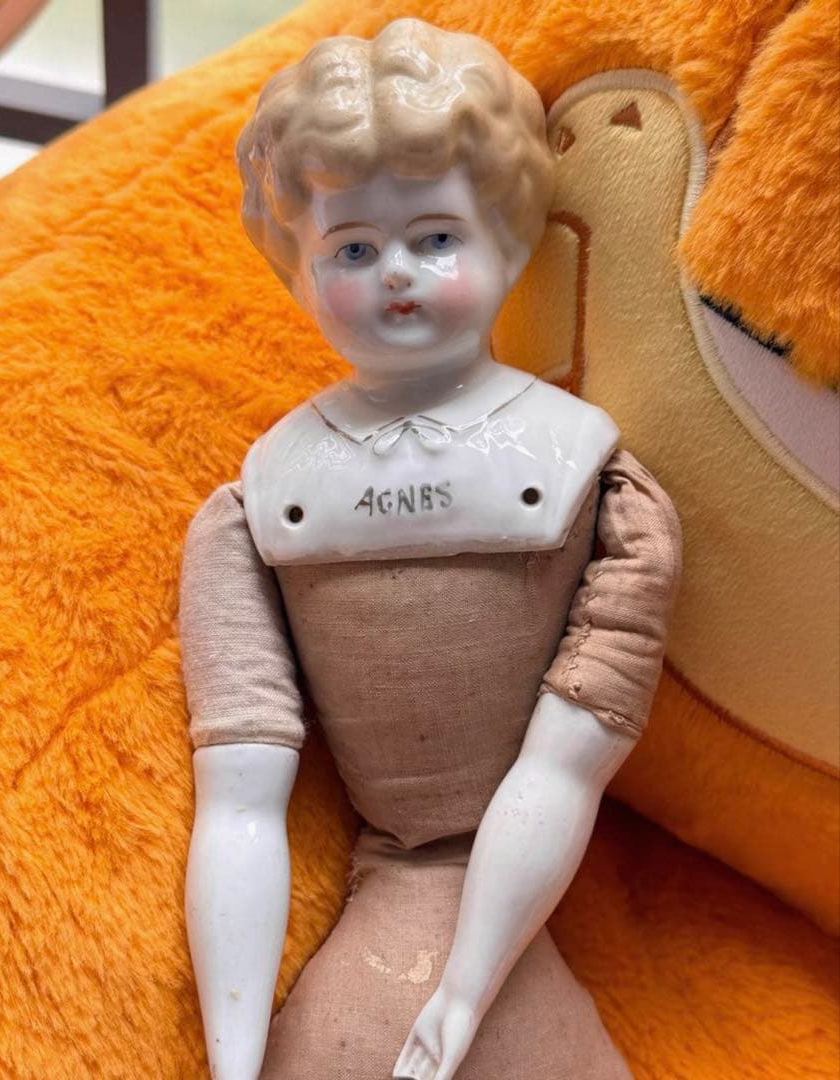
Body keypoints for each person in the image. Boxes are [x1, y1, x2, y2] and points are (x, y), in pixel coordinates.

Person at [179, 18, 681, 1079]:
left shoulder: (590, 478)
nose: (395, 275)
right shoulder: (257, 502)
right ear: (298, 269)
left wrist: (465, 987)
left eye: (436, 238)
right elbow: (239, 797)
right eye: (353, 249)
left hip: (516, 901)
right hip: (383, 896)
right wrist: (233, 1054)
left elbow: (564, 764)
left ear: (510, 238)